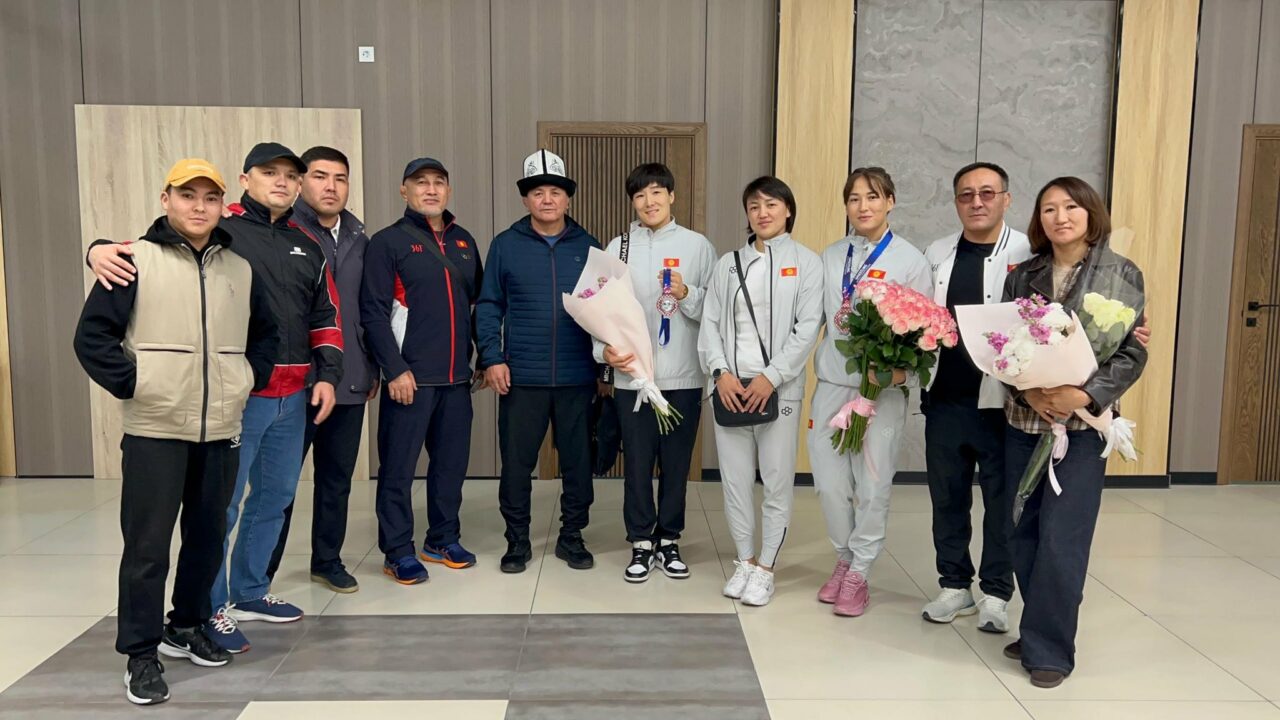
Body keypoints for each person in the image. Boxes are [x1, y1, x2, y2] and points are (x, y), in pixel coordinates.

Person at [88, 142, 344, 654]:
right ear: (245, 181)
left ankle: (248, 591)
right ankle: (208, 609)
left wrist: (326, 374)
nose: (281, 182)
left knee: (272, 500)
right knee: (213, 514)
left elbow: (318, 316)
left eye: (290, 175)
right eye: (268, 172)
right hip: (227, 404)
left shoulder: (306, 244)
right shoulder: (223, 229)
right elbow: (138, 254)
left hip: (285, 397)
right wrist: (95, 248)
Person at [74, 159, 277, 705]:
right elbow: (92, 338)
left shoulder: (239, 269)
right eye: (188, 195)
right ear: (166, 199)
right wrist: (137, 383)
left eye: (210, 198)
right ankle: (140, 654)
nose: (199, 206)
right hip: (155, 429)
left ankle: (185, 625)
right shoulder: (133, 262)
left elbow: (266, 335)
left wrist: (245, 380)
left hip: (221, 427)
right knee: (147, 548)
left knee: (207, 537)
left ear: (222, 206)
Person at [1001, 176, 1147, 688]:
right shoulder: (1024, 274)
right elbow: (1002, 344)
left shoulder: (1121, 273)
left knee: (1063, 537)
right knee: (1022, 532)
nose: (1059, 217)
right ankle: (1041, 626)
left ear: (1090, 213)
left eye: (1070, 207)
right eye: (1048, 209)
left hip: (1083, 429)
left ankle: (1050, 649)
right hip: (1026, 421)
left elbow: (1131, 351)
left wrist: (1084, 396)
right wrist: (1030, 394)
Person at [807, 167, 932, 617]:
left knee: (873, 485)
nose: (863, 206)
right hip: (832, 385)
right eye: (855, 198)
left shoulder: (910, 260)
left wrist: (896, 376)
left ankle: (859, 571)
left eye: (873, 197)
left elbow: (925, 335)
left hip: (882, 392)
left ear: (890, 202)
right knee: (829, 483)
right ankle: (843, 557)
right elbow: (815, 319)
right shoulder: (830, 256)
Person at [698, 176, 823, 607]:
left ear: (788, 210)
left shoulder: (807, 263)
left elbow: (808, 328)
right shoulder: (728, 264)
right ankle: (745, 561)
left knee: (776, 481)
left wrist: (772, 376)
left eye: (771, 204)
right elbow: (711, 322)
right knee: (734, 482)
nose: (762, 212)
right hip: (730, 389)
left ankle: (767, 567)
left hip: (778, 390)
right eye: (754, 206)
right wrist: (720, 373)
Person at [918, 162, 1031, 630]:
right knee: (947, 497)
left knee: (1001, 501)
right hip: (945, 396)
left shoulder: (1027, 251)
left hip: (1003, 403)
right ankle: (954, 585)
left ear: (1006, 198)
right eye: (966, 194)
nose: (977, 202)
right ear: (956, 202)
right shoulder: (938, 252)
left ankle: (996, 593)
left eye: (987, 193)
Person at [476, 149, 600, 574]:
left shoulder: (589, 247)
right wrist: (492, 358)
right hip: (521, 377)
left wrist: (604, 369)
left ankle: (572, 536)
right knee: (516, 466)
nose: (547, 200)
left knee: (579, 465)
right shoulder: (506, 245)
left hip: (577, 376)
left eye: (555, 192)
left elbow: (606, 310)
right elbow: (488, 305)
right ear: (525, 199)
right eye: (537, 192)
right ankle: (517, 540)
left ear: (568, 198)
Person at [361, 157, 483, 584]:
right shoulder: (388, 242)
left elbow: (477, 306)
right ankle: (397, 550)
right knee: (397, 470)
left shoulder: (464, 242)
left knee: (450, 468)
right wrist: (394, 369)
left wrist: (481, 358)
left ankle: (442, 538)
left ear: (448, 190)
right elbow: (373, 312)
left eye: (438, 183)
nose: (430, 190)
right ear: (404, 190)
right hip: (409, 380)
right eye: (420, 183)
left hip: (456, 380)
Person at [596, 163, 717, 583]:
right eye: (640, 195)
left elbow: (715, 310)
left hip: (682, 376)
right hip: (634, 378)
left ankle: (669, 538)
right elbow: (599, 308)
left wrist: (687, 293)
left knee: (676, 463)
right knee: (637, 463)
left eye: (656, 193)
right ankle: (640, 542)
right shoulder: (619, 247)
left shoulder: (698, 246)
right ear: (633, 202)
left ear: (672, 196)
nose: (649, 202)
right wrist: (602, 351)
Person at [267, 145, 377, 594]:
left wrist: (370, 366)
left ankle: (327, 560)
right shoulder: (278, 230)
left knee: (336, 479)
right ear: (300, 182)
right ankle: (259, 573)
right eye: (319, 176)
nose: (331, 187)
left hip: (348, 380)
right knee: (278, 483)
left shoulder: (359, 238)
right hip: (293, 382)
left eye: (340, 178)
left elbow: (369, 311)